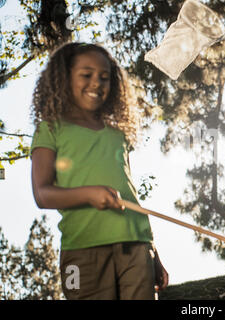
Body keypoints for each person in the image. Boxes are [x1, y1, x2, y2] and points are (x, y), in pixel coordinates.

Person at [30, 42, 168, 300]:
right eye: (86, 75)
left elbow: (129, 192)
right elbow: (42, 194)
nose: (97, 83)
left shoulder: (117, 135)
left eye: (104, 78)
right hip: (81, 251)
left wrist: (152, 251)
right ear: (63, 78)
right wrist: (89, 194)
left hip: (136, 247)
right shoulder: (50, 129)